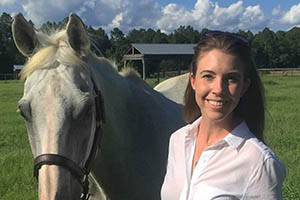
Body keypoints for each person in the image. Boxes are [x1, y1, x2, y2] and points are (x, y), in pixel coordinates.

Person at [161, 31, 286, 200]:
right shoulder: (178, 140)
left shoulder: (258, 162)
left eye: (231, 79)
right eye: (208, 76)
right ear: (193, 80)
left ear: (244, 86)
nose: (219, 89)